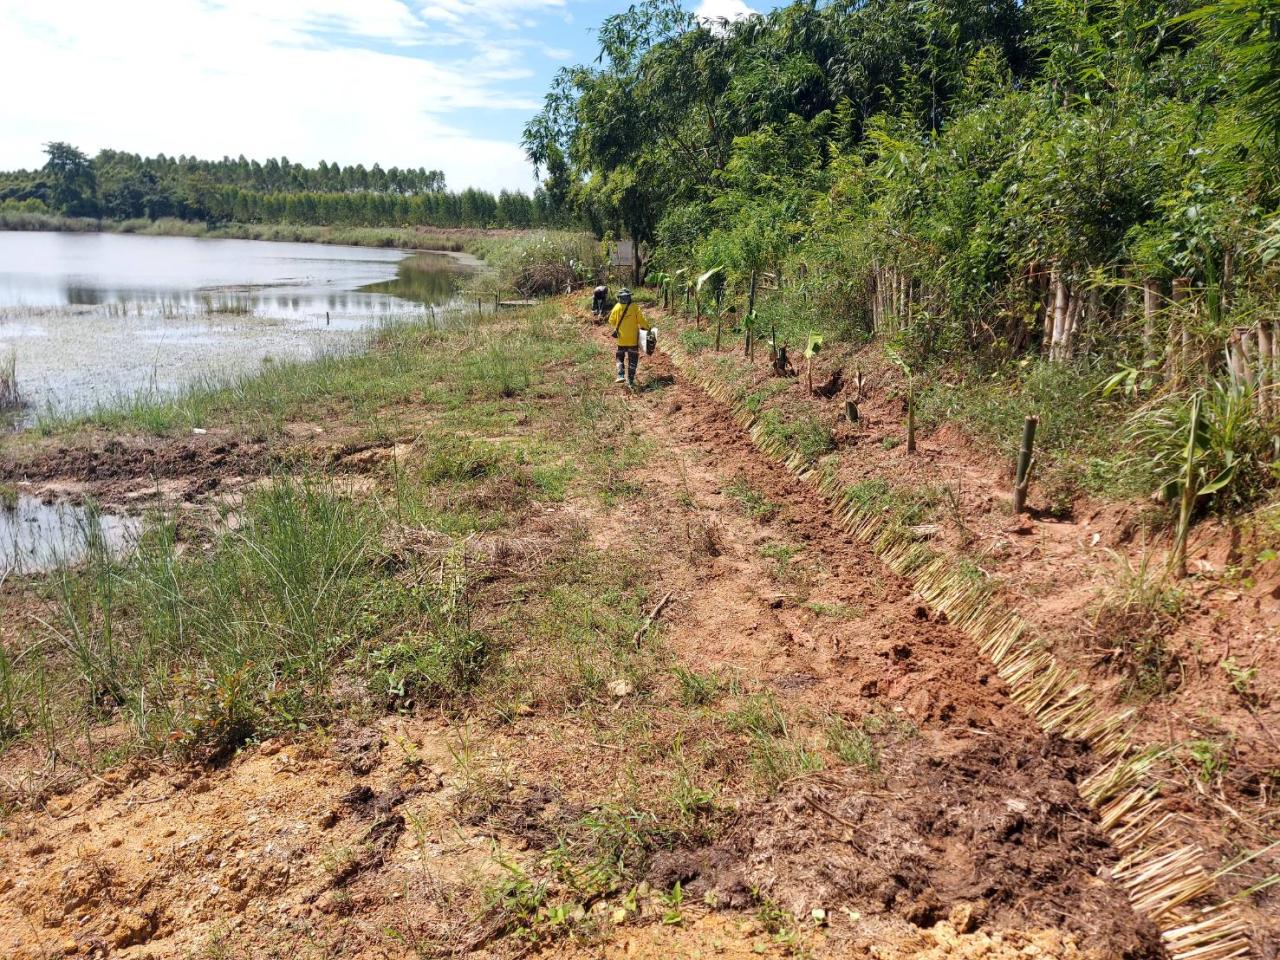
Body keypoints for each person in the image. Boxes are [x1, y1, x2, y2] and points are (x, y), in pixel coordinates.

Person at [608, 288, 649, 387]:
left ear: (619, 298)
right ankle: (630, 381)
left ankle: (620, 374)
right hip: (633, 340)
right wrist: (647, 328)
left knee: (620, 356)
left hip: (621, 339)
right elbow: (641, 320)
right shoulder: (634, 307)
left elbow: (611, 321)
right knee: (633, 359)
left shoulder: (617, 307)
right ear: (629, 297)